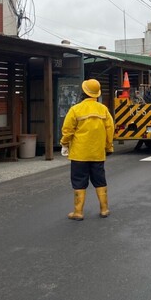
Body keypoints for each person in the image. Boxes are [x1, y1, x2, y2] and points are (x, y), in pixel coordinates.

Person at [60, 79, 114, 220]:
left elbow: (67, 130)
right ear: (97, 94)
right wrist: (109, 146)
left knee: (79, 181)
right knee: (100, 180)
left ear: (83, 92)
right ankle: (104, 209)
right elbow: (110, 129)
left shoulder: (75, 110)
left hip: (79, 154)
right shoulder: (103, 110)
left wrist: (64, 144)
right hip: (97, 153)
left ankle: (78, 212)